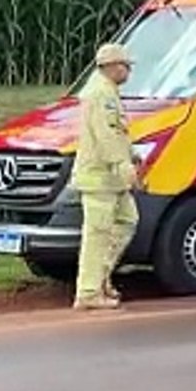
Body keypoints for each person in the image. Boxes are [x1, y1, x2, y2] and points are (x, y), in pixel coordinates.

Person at [69, 43, 139, 310]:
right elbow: (105, 134)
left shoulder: (107, 92)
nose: (128, 70)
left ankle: (99, 278)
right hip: (100, 177)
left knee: (126, 220)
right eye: (125, 65)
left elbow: (118, 132)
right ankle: (88, 292)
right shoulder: (101, 94)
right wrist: (122, 163)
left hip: (111, 178)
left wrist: (131, 154)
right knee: (97, 233)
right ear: (111, 66)